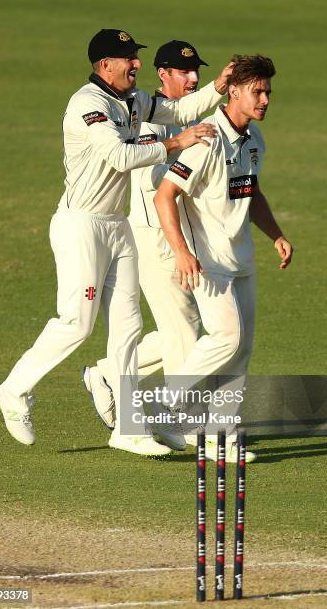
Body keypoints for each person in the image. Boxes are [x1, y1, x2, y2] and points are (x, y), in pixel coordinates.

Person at [0, 28, 234, 457]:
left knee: (128, 329)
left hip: (116, 225)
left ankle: (128, 427)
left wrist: (220, 86)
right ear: (105, 65)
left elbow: (180, 110)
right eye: (128, 59)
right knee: (77, 323)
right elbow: (120, 156)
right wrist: (175, 143)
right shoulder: (87, 105)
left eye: (135, 57)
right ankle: (13, 390)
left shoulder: (135, 100)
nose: (137, 65)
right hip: (80, 225)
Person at [154, 54, 294, 461]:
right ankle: (167, 405)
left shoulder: (254, 139)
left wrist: (276, 235)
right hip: (208, 260)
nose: (265, 99)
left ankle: (222, 435)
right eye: (257, 91)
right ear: (234, 91)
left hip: (242, 258)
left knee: (242, 348)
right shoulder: (206, 139)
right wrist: (182, 252)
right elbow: (166, 195)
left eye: (268, 92)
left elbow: (252, 194)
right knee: (226, 338)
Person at [82, 40, 208, 447]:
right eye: (182, 71)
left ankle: (106, 373)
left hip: (180, 234)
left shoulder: (179, 119)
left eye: (195, 71)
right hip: (150, 235)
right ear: (163, 75)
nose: (192, 79)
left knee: (182, 327)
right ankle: (190, 425)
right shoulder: (146, 123)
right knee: (185, 328)